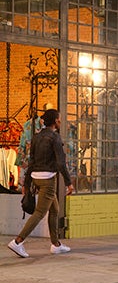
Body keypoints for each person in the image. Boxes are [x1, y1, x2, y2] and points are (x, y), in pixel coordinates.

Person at [7, 109, 75, 258]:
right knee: (40, 212)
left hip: (36, 177)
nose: (61, 121)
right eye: (60, 118)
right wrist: (69, 183)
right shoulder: (55, 137)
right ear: (56, 121)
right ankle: (18, 242)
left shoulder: (36, 137)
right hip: (48, 179)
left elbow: (31, 161)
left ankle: (56, 244)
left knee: (55, 209)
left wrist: (26, 183)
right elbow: (61, 163)